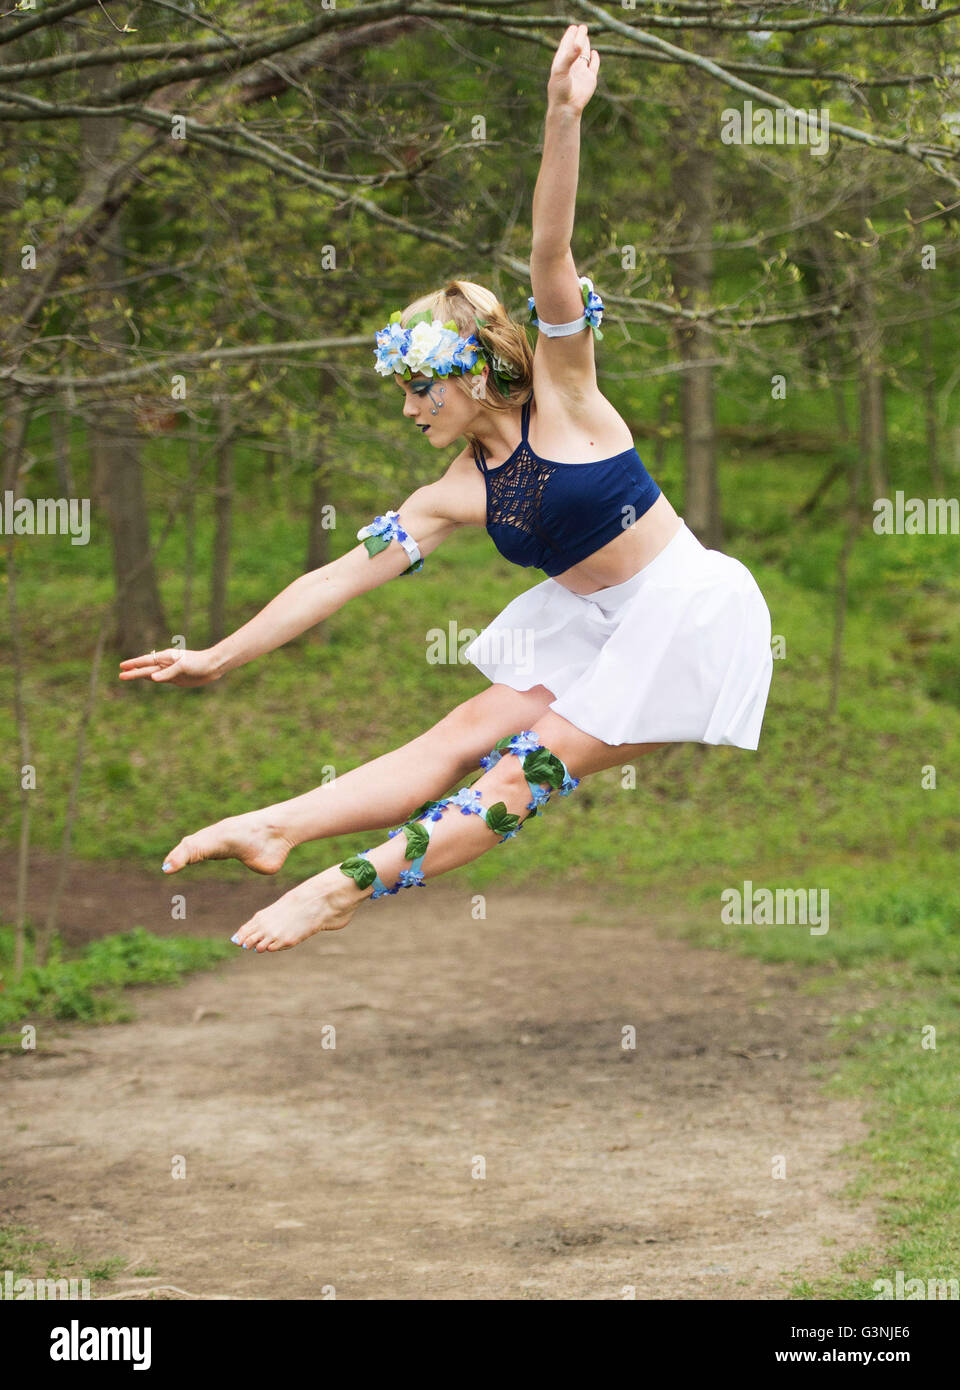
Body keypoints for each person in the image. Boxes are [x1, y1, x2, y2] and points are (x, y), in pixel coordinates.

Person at [118, 24, 773, 952]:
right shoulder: (455, 492)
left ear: (468, 374)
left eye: (417, 388)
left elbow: (552, 251)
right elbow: (334, 579)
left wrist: (560, 117)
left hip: (684, 612)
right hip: (595, 623)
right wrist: (218, 656)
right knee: (464, 726)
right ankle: (278, 826)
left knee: (522, 769)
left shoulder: (569, 399)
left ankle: (342, 888)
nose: (408, 409)